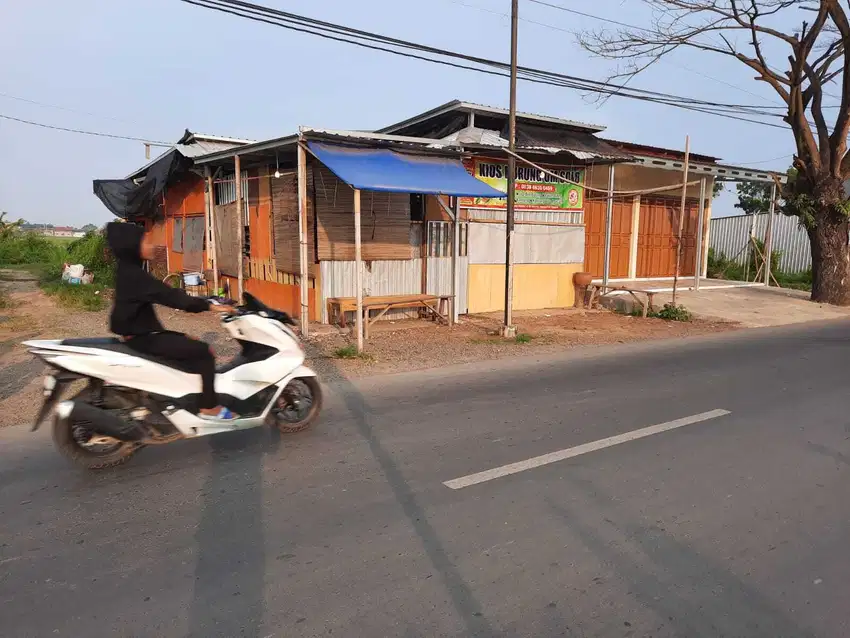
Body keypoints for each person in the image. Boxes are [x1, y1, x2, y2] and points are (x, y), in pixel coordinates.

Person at [105, 221, 236, 420]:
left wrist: (202, 300)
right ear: (132, 246)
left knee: (188, 340)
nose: (152, 246)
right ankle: (209, 407)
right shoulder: (135, 276)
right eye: (146, 241)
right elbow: (172, 297)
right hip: (144, 338)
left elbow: (168, 293)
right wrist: (211, 306)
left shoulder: (127, 270)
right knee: (204, 352)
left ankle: (188, 398)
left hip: (140, 334)